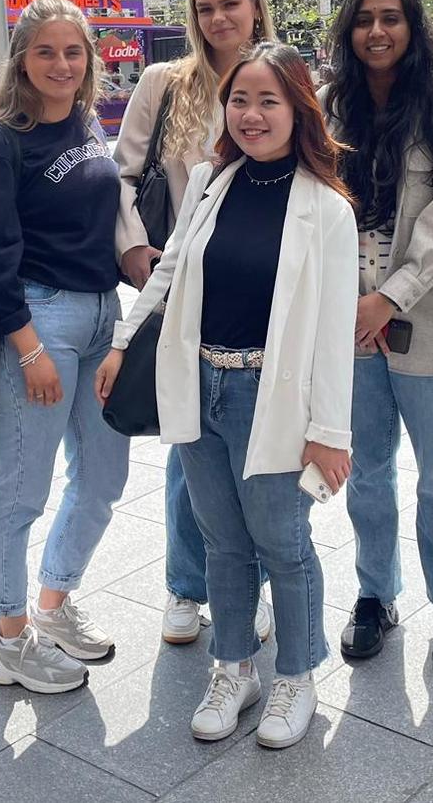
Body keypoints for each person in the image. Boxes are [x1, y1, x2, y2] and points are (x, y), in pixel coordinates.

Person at [96, 42, 358, 749]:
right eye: (240, 100)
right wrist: (122, 341)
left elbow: (334, 333)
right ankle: (233, 668)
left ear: (298, 109)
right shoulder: (212, 181)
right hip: (198, 382)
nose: (251, 114)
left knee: (282, 543)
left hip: (271, 394)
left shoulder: (326, 209)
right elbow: (169, 268)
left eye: (269, 100)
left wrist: (330, 432)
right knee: (222, 542)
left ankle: (296, 676)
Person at [0, 0, 130, 695]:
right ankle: (7, 638)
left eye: (73, 51)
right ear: (21, 61)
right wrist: (28, 348)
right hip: (41, 320)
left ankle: (53, 605)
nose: (62, 64)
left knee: (103, 479)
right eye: (46, 51)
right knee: (20, 489)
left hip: (101, 316)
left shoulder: (86, 123)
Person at [321, 0, 433, 668]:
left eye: (391, 18)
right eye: (364, 19)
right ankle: (375, 593)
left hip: (430, 319)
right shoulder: (328, 105)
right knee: (366, 470)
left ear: (413, 28)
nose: (376, 32)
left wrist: (391, 297)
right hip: (345, 322)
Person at [114, 0, 277, 646]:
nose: (217, 18)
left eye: (229, 4)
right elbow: (122, 175)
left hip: (262, 291)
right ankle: (186, 585)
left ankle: (252, 586)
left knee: (259, 448)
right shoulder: (164, 82)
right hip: (183, 289)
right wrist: (132, 246)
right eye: (205, 7)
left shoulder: (281, 78)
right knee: (189, 443)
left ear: (254, 6)